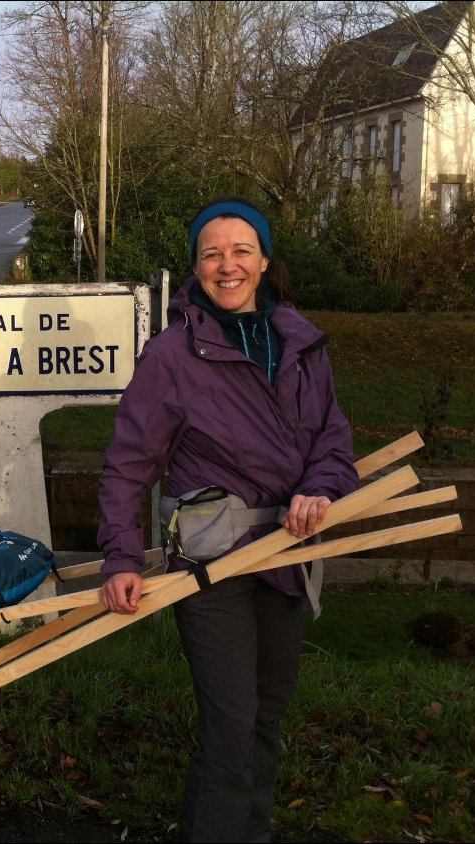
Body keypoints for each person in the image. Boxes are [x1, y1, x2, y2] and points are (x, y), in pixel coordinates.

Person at [96, 196, 359, 843]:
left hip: (289, 553)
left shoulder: (301, 343)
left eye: (242, 250)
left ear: (265, 261)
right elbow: (129, 463)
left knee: (266, 722)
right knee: (231, 728)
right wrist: (122, 557)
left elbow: (333, 439)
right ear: (196, 267)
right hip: (215, 563)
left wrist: (320, 488)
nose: (227, 264)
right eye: (212, 253)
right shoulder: (173, 356)